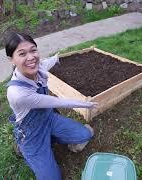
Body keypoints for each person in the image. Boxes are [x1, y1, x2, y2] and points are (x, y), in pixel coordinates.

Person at [5, 32, 98, 180]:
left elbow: (47, 62)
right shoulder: (17, 93)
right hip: (31, 133)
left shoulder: (38, 68)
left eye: (33, 50)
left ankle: (51, 138)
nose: (31, 57)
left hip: (48, 119)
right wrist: (85, 104)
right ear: (12, 60)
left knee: (85, 134)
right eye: (22, 54)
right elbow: (58, 102)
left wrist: (58, 57)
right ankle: (24, 148)